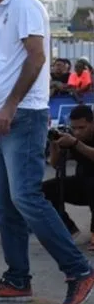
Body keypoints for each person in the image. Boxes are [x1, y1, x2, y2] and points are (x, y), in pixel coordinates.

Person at [0, 0, 93, 304]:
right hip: (3, 119)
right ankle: (17, 278)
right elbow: (6, 67)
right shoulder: (3, 11)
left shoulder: (23, 6)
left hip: (23, 116)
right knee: (5, 204)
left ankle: (78, 270)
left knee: (26, 198)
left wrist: (8, 106)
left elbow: (37, 58)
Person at [43, 104, 94, 243]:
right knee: (43, 190)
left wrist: (76, 143)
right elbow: (55, 164)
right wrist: (54, 144)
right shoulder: (73, 138)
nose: (77, 132)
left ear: (92, 122)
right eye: (74, 128)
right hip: (82, 185)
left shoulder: (76, 140)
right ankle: (68, 228)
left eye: (82, 128)